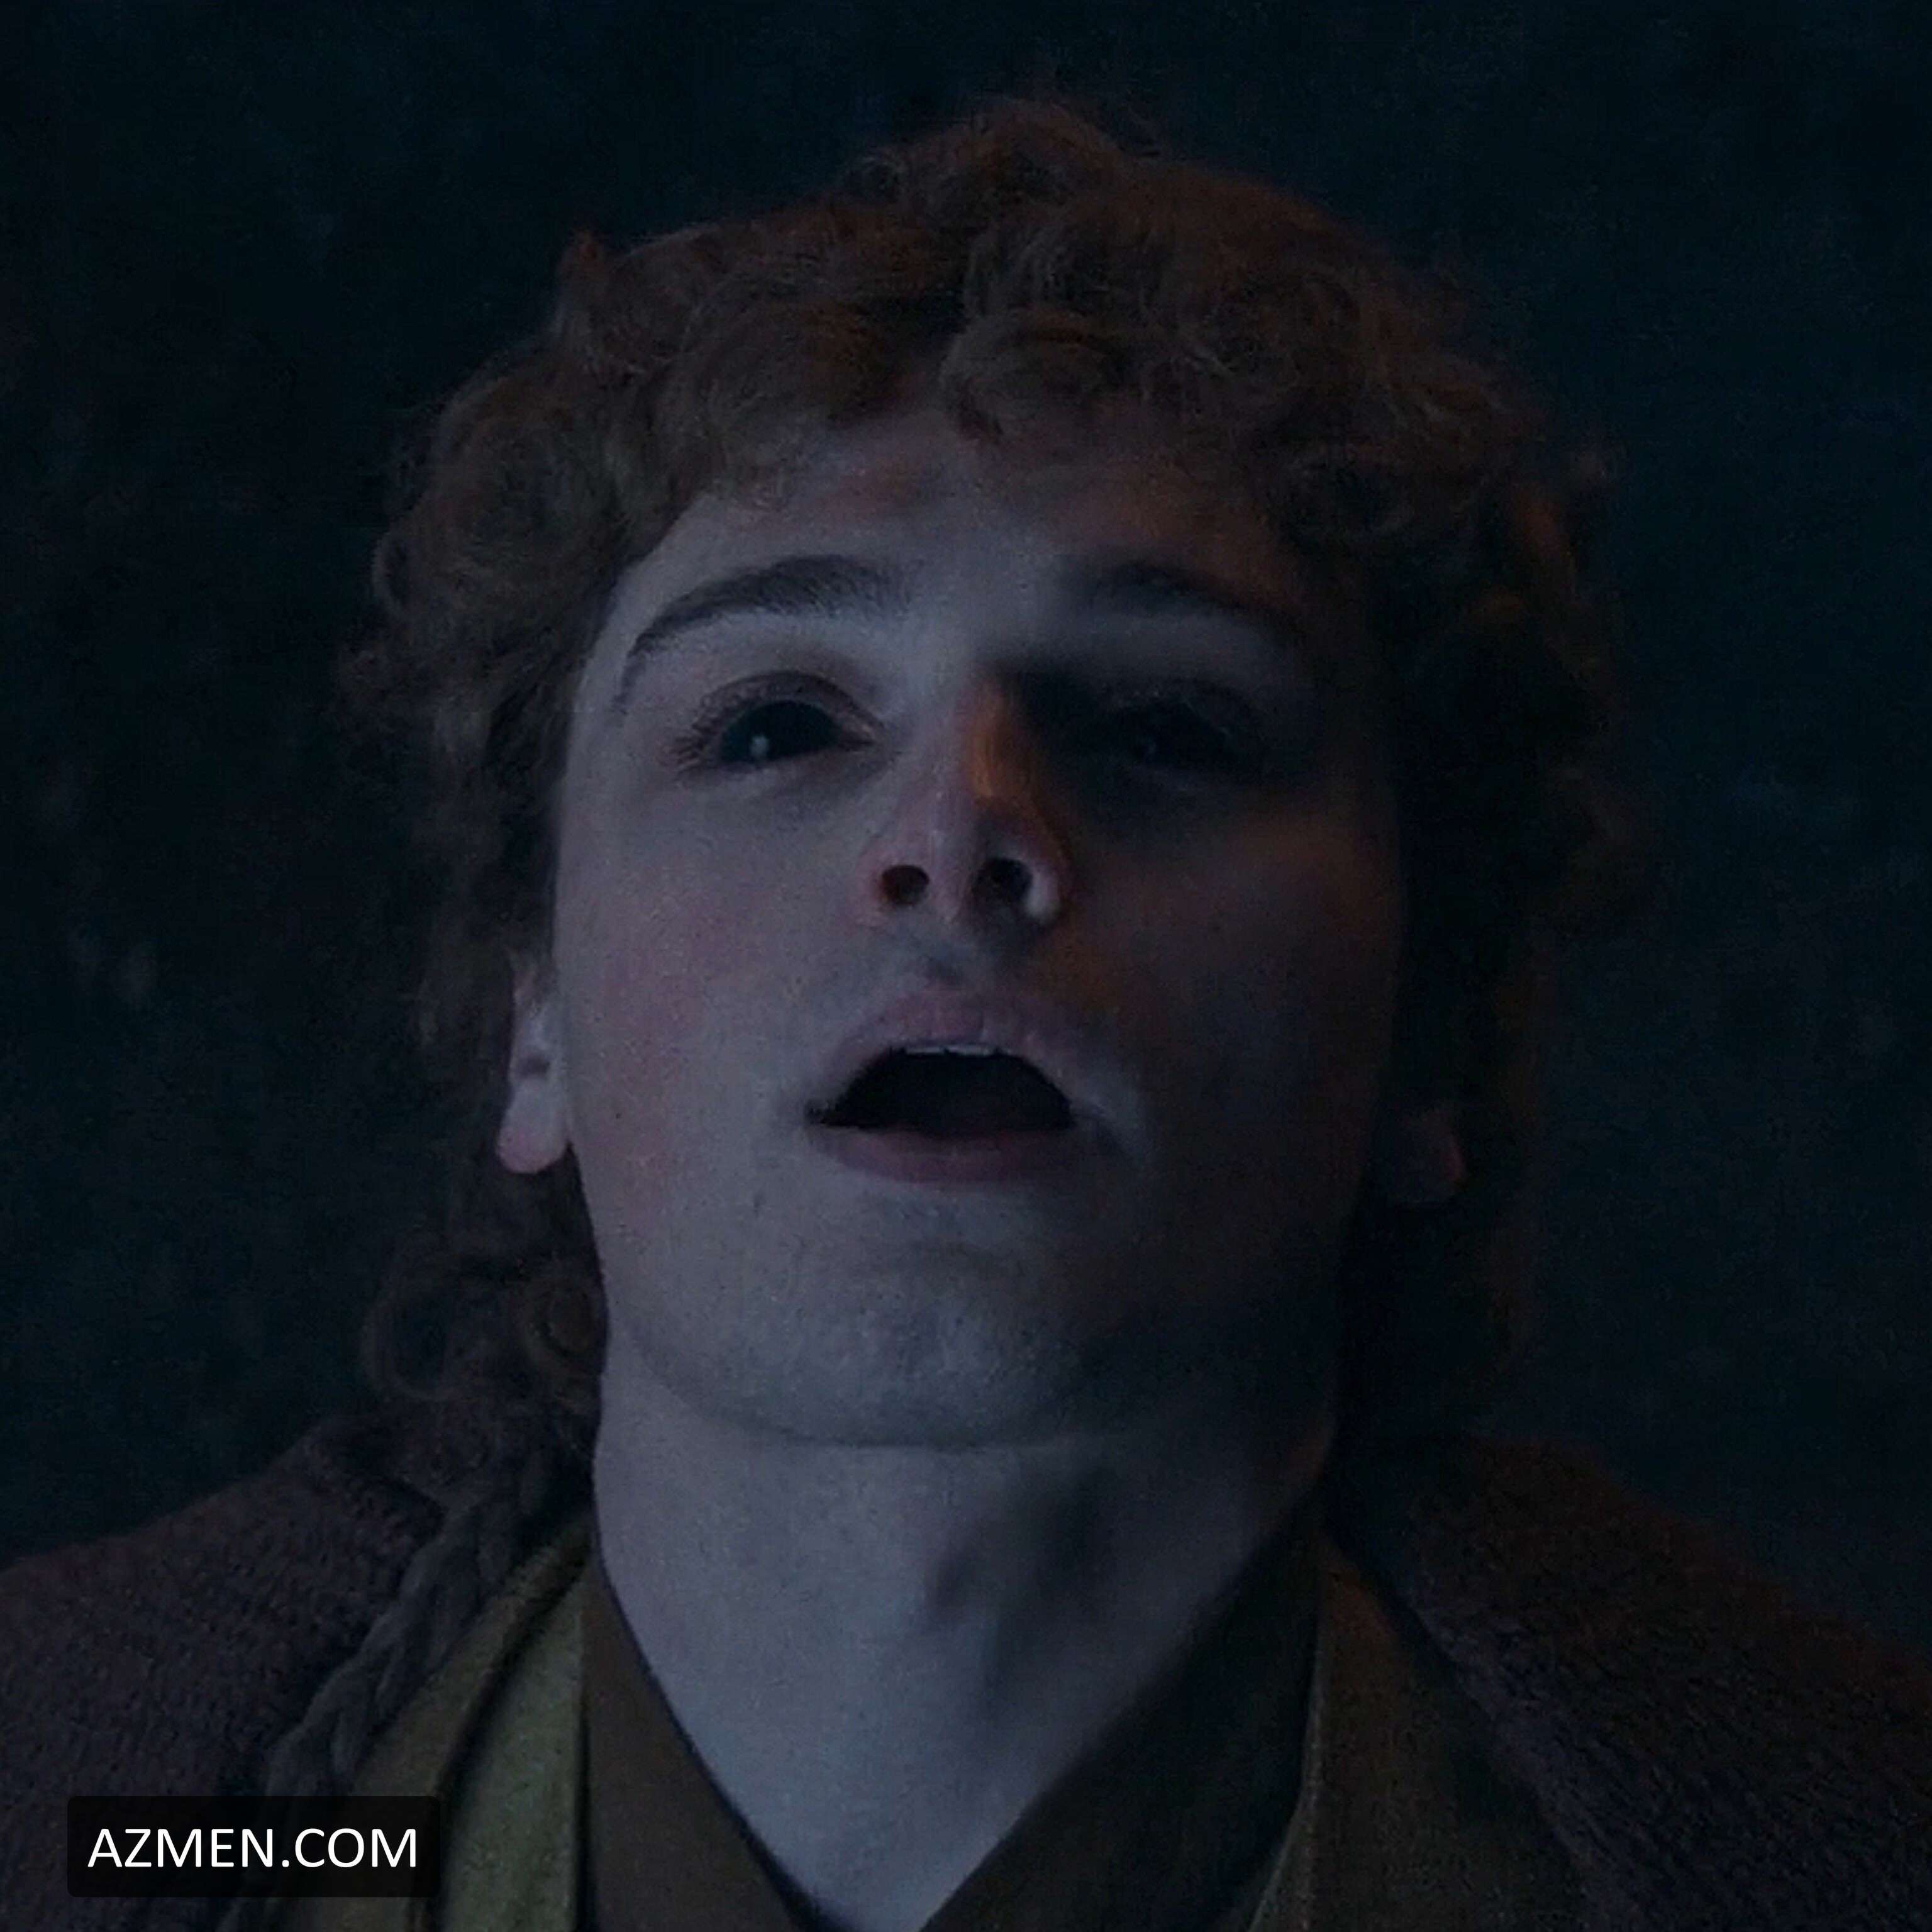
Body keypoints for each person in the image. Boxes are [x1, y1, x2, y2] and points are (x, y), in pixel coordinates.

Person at [4, 99, 1929, 1932]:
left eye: (1168, 725)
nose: (960, 832)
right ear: (534, 1019)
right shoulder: (83, 1812)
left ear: (1426, 1022)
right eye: (776, 725)